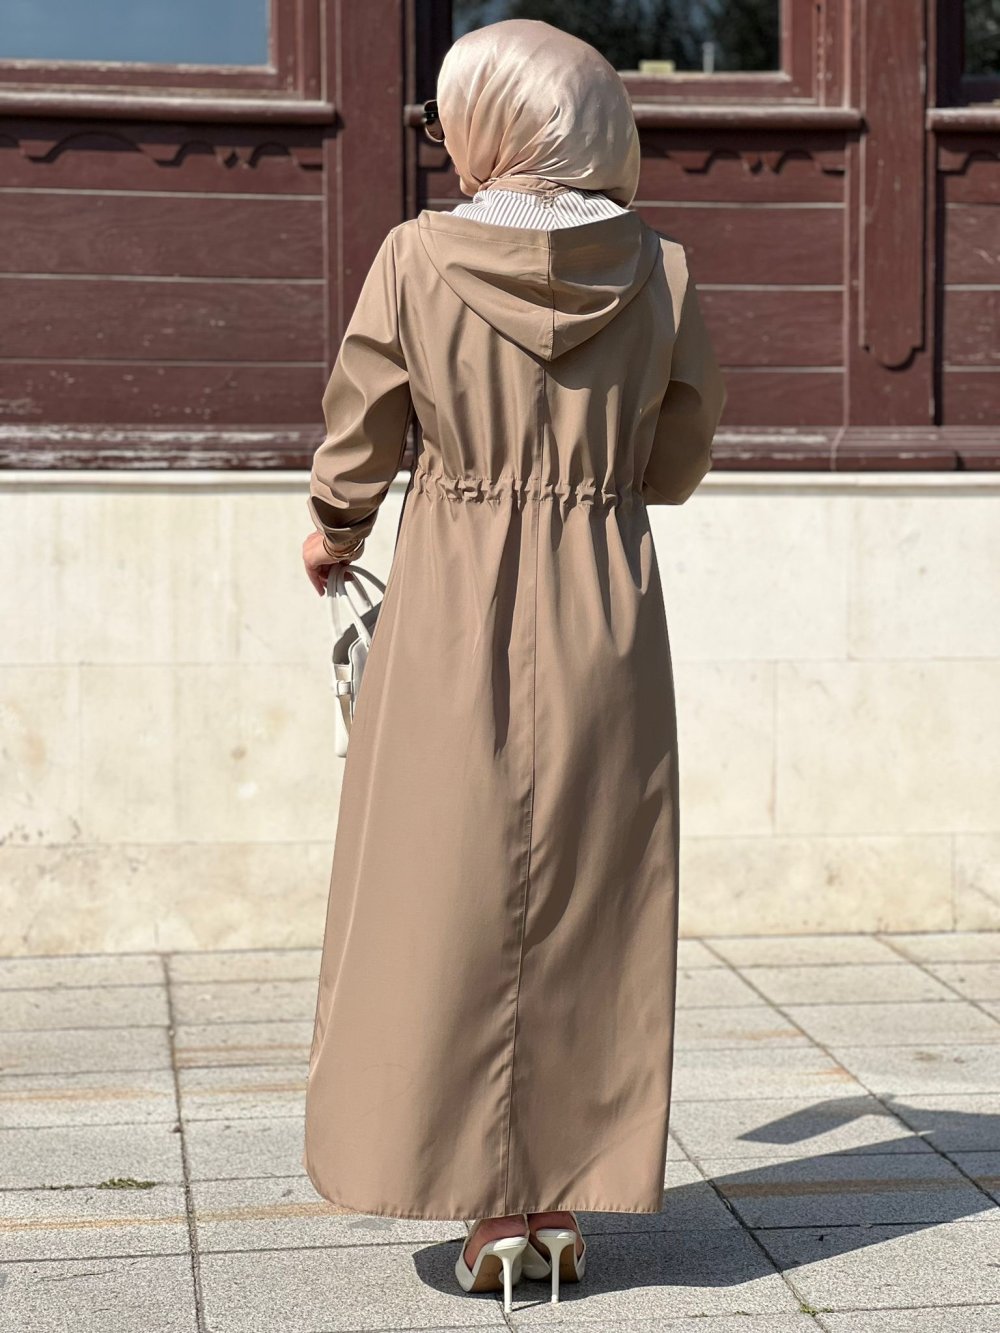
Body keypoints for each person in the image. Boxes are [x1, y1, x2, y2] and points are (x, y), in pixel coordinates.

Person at [300, 17, 726, 1314]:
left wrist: (334, 530)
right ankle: (558, 1197)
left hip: (452, 594)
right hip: (604, 599)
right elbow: (678, 461)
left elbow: (364, 431)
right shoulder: (661, 271)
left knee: (446, 886)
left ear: (489, 121)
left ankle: (487, 1204)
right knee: (592, 889)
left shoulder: (415, 257)